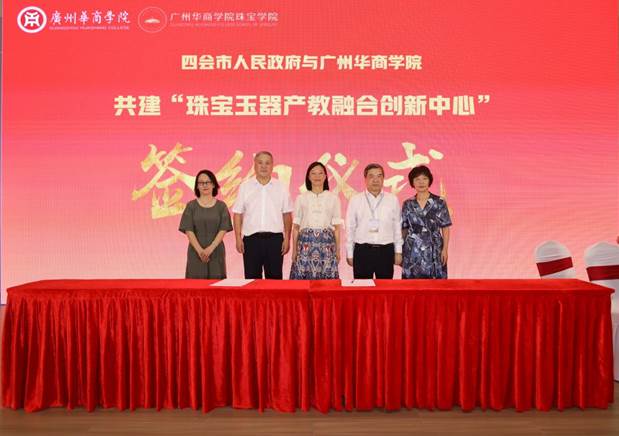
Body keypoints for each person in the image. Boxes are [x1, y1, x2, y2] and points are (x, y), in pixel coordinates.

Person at [232, 151, 293, 279]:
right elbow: (237, 213)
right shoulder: (245, 187)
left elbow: (287, 214)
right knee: (252, 281)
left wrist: (287, 238)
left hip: (275, 241)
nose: (264, 166)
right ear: (254, 165)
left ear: (272, 166)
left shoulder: (281, 187)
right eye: (260, 163)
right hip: (251, 240)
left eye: (267, 163)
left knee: (275, 281)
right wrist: (238, 237)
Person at [345, 163, 403, 279]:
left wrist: (398, 251)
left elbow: (397, 227)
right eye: (371, 176)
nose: (375, 180)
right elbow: (350, 228)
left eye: (379, 176)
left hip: (386, 250)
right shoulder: (355, 200)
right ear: (365, 179)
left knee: (385, 288)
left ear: (383, 179)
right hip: (362, 251)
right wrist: (349, 253)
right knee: (362, 288)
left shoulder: (392, 199)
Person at [290, 162, 342, 279]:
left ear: (325, 176)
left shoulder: (333, 198)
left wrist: (338, 250)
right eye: (313, 173)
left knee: (326, 282)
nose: (317, 176)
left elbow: (337, 229)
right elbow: (296, 227)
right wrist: (294, 250)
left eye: (320, 173)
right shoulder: (301, 198)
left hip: (327, 245)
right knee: (303, 282)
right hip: (305, 244)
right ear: (308, 177)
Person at [179, 170, 233, 279]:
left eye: (208, 182)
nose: (205, 185)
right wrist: (200, 251)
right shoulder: (191, 206)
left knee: (216, 285)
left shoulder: (221, 206)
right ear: (197, 186)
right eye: (201, 183)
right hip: (196, 251)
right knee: (195, 285)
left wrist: (210, 249)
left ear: (214, 184)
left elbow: (223, 229)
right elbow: (189, 230)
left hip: (216, 251)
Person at [401, 165, 452, 279]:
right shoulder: (408, 204)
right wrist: (400, 251)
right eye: (417, 179)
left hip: (434, 248)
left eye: (424, 178)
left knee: (436, 285)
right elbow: (404, 229)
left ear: (429, 180)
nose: (421, 182)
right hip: (412, 249)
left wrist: (445, 249)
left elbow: (445, 228)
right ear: (412, 182)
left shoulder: (439, 202)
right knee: (411, 285)